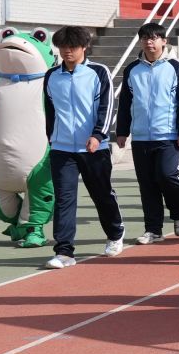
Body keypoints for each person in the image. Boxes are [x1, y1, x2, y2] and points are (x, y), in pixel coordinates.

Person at [43, 26, 125, 269]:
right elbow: (49, 109)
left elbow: (107, 106)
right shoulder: (51, 75)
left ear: (84, 47)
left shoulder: (98, 72)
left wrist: (98, 135)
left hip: (94, 148)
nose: (67, 51)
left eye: (72, 47)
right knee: (64, 198)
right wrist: (51, 137)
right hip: (61, 148)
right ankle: (64, 251)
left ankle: (115, 233)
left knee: (101, 194)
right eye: (62, 47)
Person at [114, 22, 179, 243]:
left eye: (154, 38)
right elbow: (125, 102)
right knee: (147, 183)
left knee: (167, 176)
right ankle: (153, 229)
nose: (149, 42)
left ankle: (178, 213)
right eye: (145, 38)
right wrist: (122, 131)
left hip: (168, 135)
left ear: (163, 41)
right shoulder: (132, 69)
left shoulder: (176, 67)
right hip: (140, 136)